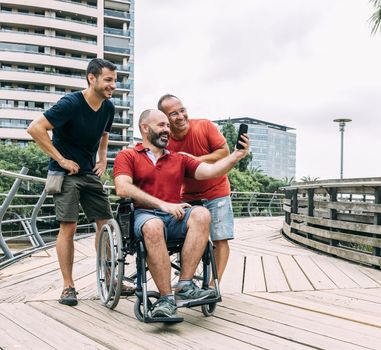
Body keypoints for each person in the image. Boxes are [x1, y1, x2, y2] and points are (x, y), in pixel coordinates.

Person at [113, 109, 250, 318]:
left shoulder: (179, 159)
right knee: (153, 226)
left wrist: (236, 156)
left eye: (168, 125)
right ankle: (166, 298)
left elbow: (211, 171)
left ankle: (185, 285)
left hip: (174, 216)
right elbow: (122, 188)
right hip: (144, 216)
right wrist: (162, 204)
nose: (167, 129)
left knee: (202, 214)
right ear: (144, 128)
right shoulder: (128, 155)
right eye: (161, 125)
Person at [27, 58, 118, 306]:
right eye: (108, 80)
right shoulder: (70, 103)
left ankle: (110, 277)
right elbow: (35, 128)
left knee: (106, 224)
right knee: (69, 226)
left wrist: (102, 161)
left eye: (115, 81)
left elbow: (105, 133)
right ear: (92, 78)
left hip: (89, 172)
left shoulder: (108, 107)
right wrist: (61, 159)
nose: (113, 86)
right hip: (64, 173)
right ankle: (68, 287)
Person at [158, 94, 237, 284]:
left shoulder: (204, 126)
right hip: (186, 195)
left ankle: (213, 285)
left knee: (220, 239)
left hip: (217, 191)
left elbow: (224, 153)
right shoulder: (164, 141)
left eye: (182, 110)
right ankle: (186, 281)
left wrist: (192, 160)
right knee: (185, 239)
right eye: (173, 113)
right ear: (165, 119)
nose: (180, 116)